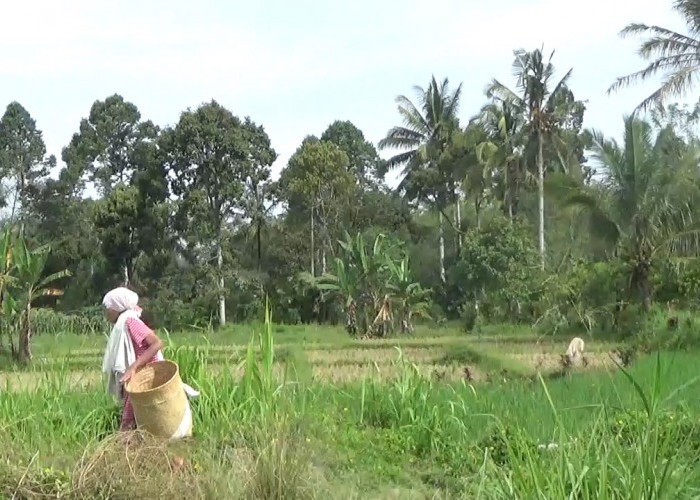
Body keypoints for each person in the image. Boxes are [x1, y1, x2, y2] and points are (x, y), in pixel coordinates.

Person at [101, 287, 164, 431]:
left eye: (108, 308)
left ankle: (125, 446)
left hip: (145, 375)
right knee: (134, 415)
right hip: (137, 375)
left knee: (129, 418)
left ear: (117, 307)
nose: (107, 312)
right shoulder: (124, 321)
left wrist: (133, 367)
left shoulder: (131, 321)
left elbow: (157, 343)